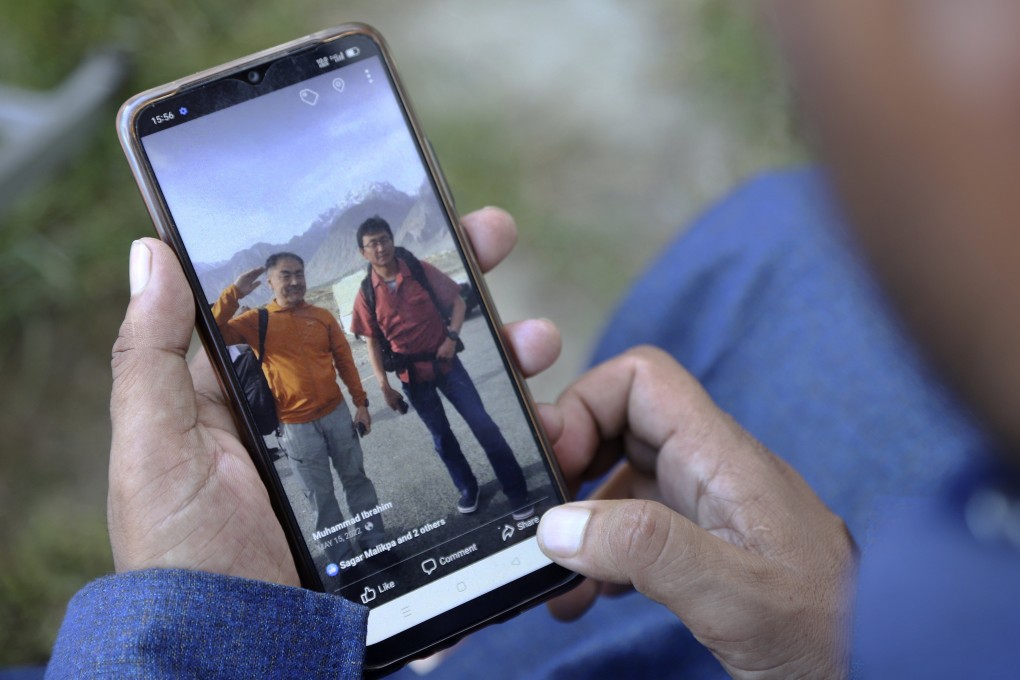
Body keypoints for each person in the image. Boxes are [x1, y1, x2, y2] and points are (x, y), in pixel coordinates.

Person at [349, 216, 531, 519]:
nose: (380, 248)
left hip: (447, 365)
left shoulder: (419, 270)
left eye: (383, 239)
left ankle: (516, 490)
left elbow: (458, 303)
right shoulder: (366, 294)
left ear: (393, 240)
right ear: (363, 252)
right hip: (413, 379)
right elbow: (371, 343)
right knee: (442, 438)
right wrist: (385, 387)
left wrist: (452, 337)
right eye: (372, 244)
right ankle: (467, 488)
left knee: (483, 424)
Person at [213, 252, 385, 563]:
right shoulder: (255, 321)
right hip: (294, 426)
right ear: (270, 282)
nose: (294, 282)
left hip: (337, 415)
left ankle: (375, 543)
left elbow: (345, 362)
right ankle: (342, 558)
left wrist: (361, 403)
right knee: (320, 497)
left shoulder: (322, 317)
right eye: (285, 275)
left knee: (357, 480)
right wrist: (234, 292)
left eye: (299, 274)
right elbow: (213, 329)